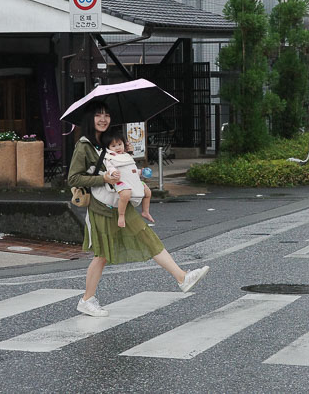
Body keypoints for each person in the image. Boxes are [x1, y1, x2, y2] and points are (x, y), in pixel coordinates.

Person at [68, 103, 208, 317]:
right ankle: (87, 299)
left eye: (107, 115)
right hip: (103, 206)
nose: (103, 119)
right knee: (102, 255)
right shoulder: (84, 146)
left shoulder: (109, 141)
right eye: (98, 115)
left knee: (147, 236)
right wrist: (102, 177)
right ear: (90, 119)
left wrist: (127, 159)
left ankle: (182, 277)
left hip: (121, 202)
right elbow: (73, 178)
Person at [102, 130, 153, 228]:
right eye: (113, 146)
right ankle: (121, 215)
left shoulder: (127, 156)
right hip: (120, 181)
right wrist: (113, 172)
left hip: (132, 180)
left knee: (148, 192)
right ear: (108, 148)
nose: (117, 148)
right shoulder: (109, 157)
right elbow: (110, 167)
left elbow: (131, 170)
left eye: (120, 144)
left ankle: (145, 211)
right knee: (126, 193)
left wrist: (141, 172)